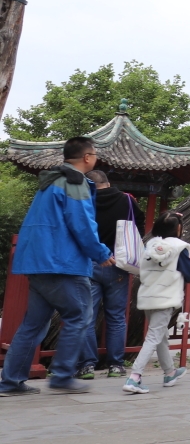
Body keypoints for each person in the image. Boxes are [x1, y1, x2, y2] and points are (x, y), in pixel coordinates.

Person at [0, 137, 115, 397]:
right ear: (87, 157)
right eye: (94, 154)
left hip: (37, 262)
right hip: (63, 264)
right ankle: (63, 375)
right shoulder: (75, 183)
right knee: (80, 316)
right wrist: (100, 252)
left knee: (33, 325)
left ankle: (10, 381)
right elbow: (82, 224)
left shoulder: (49, 182)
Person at [77, 169, 144, 380]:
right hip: (119, 264)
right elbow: (138, 225)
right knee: (116, 317)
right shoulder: (127, 200)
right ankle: (116, 364)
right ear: (107, 182)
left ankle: (87, 365)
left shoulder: (85, 202)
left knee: (87, 317)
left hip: (90, 263)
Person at [123, 212, 190, 394]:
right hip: (166, 297)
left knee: (160, 334)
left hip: (148, 295)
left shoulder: (150, 245)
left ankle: (169, 372)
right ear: (178, 229)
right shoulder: (179, 247)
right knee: (154, 336)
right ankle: (135, 377)